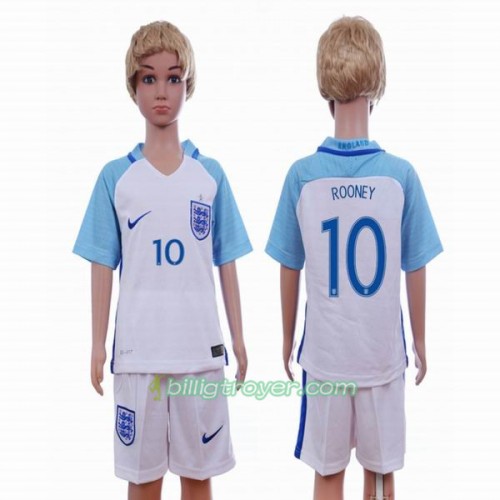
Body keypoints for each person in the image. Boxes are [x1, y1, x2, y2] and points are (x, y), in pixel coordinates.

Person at [73, 21, 252, 500]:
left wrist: (238, 338)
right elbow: (101, 264)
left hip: (199, 353)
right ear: (133, 85)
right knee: (143, 482)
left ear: (187, 85)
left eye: (174, 78)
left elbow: (227, 263)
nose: (161, 91)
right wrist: (96, 344)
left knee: (198, 479)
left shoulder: (210, 176)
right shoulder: (115, 178)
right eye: (149, 78)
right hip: (139, 356)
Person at [265, 16, 442, 500]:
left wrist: (286, 339)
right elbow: (416, 264)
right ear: (378, 81)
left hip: (326, 356)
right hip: (381, 354)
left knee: (328, 474)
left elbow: (288, 266)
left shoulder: (304, 176)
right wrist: (420, 340)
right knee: (381, 476)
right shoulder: (399, 176)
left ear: (324, 85)